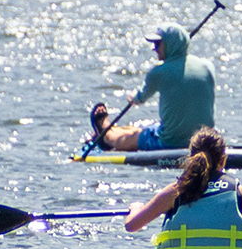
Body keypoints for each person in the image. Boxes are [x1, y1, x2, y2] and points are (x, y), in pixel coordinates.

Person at [90, 19, 218, 155]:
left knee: (133, 138)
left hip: (170, 142)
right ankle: (112, 128)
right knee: (142, 130)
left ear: (170, 45)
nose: (154, 48)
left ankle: (106, 135)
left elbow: (140, 98)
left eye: (157, 44)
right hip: (205, 141)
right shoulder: (208, 66)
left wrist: (133, 97)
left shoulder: (158, 73)